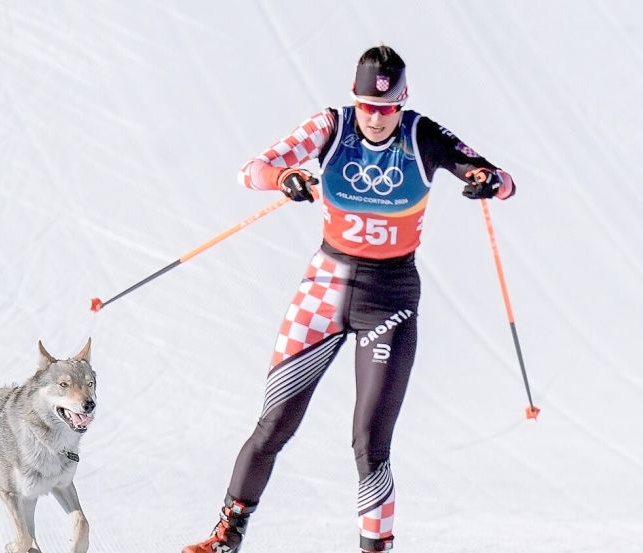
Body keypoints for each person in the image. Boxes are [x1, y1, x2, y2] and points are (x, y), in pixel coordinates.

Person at [181, 44, 516, 553]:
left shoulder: (421, 135)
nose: (376, 119)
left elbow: (503, 181)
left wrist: (487, 180)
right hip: (324, 289)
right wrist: (284, 177)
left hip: (390, 299)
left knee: (369, 443)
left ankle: (375, 547)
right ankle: (227, 535)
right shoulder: (331, 126)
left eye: (387, 108)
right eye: (367, 106)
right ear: (353, 98)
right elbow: (251, 170)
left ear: (403, 101)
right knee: (273, 425)